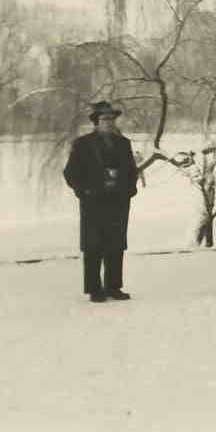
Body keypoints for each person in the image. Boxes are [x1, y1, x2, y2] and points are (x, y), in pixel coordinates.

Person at [63, 100, 139, 303]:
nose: (109, 122)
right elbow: (70, 173)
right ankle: (94, 289)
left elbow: (132, 172)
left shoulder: (124, 143)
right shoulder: (82, 144)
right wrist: (85, 191)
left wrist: (129, 191)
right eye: (104, 119)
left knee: (116, 246)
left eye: (111, 119)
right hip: (93, 203)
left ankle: (114, 287)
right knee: (93, 246)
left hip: (118, 204)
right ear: (96, 122)